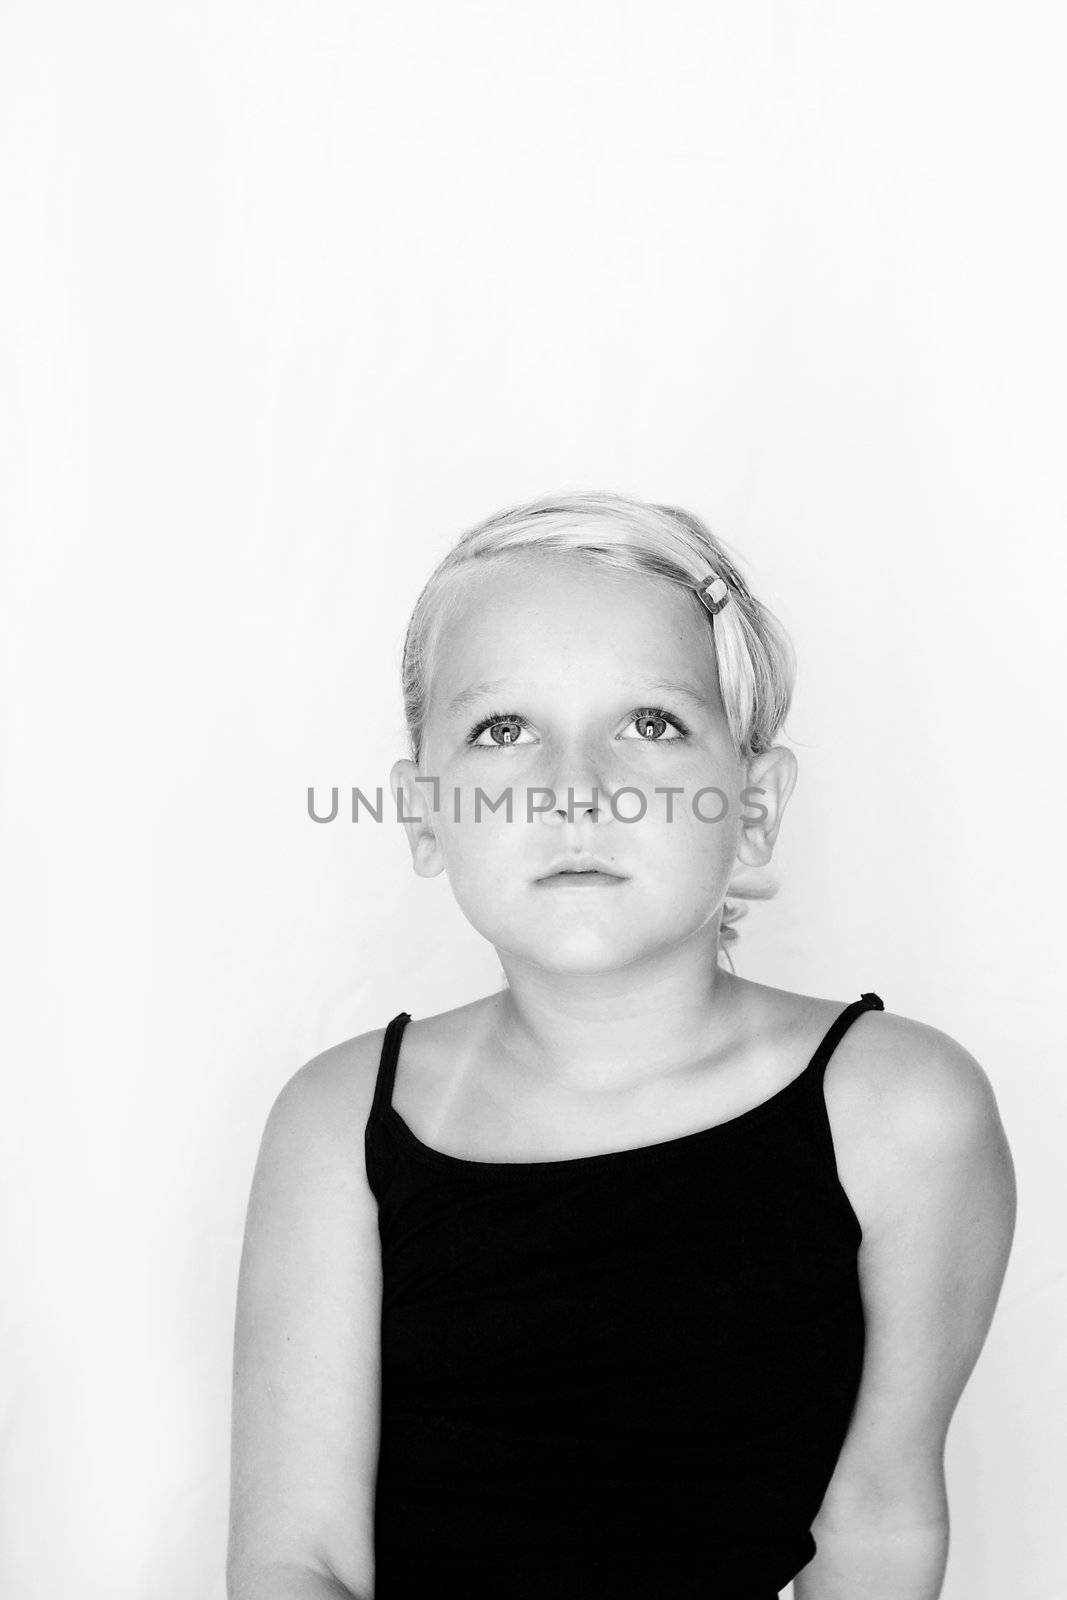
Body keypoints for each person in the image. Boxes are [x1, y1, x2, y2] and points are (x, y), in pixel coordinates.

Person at [227, 492, 1017, 1600]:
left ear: (751, 809)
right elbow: (293, 1557)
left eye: (650, 724)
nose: (575, 788)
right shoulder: (334, 1124)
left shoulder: (900, 1113)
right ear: (421, 813)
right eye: (502, 730)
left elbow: (877, 1521)